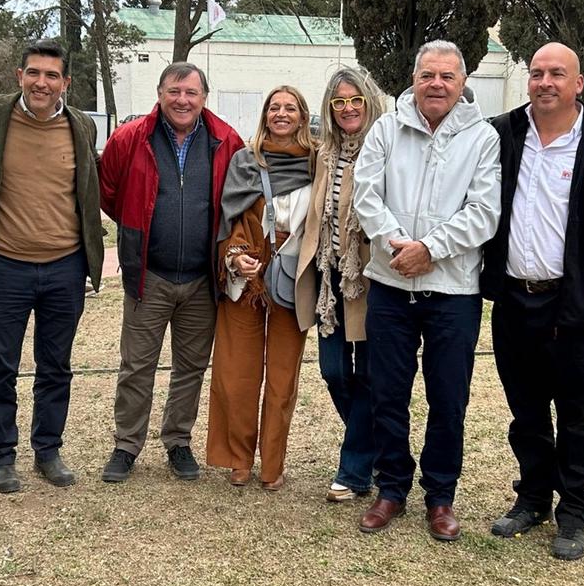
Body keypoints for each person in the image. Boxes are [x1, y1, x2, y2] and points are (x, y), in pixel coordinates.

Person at [481, 42, 584, 560]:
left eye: (557, 74)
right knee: (524, 410)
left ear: (579, 83)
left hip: (572, 302)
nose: (545, 82)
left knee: (576, 411)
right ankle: (531, 498)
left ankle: (573, 511)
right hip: (513, 296)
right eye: (537, 73)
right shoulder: (502, 134)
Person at [351, 40, 501, 541]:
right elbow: (366, 196)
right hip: (392, 287)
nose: (437, 84)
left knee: (448, 398)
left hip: (453, 292)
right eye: (428, 75)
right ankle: (391, 487)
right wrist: (401, 247)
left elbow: (483, 213)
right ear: (414, 78)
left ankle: (441, 496)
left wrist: (430, 249)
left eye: (447, 77)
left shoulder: (482, 138)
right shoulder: (385, 129)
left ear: (462, 84)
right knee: (387, 393)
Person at [0, 40, 105, 493]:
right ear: (19, 76)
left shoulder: (81, 125)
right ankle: (1, 456)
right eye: (34, 73)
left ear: (66, 82)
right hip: (3, 265)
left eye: (51, 75)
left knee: (55, 365)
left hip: (65, 267)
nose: (41, 82)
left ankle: (48, 450)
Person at [97, 62, 243, 483]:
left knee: (191, 366)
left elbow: (235, 199)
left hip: (201, 279)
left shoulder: (225, 140)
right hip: (150, 275)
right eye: (175, 91)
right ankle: (126, 444)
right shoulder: (130, 137)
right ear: (160, 93)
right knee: (136, 366)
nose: (183, 100)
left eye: (191, 93)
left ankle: (178, 441)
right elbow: (110, 193)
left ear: (204, 98)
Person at [207, 86, 315, 490]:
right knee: (238, 374)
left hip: (292, 279)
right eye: (274, 108)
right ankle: (239, 459)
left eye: (290, 108)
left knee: (283, 378)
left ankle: (272, 465)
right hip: (246, 279)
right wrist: (235, 256)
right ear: (265, 115)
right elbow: (229, 217)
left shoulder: (317, 163)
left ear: (303, 116)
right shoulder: (245, 161)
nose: (281, 114)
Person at [294, 67, 386, 503]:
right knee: (333, 372)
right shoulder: (323, 154)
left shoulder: (384, 149)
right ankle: (375, 452)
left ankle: (353, 471)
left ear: (368, 102)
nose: (348, 109)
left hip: (367, 278)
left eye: (355, 100)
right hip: (329, 278)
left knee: (368, 376)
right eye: (338, 102)